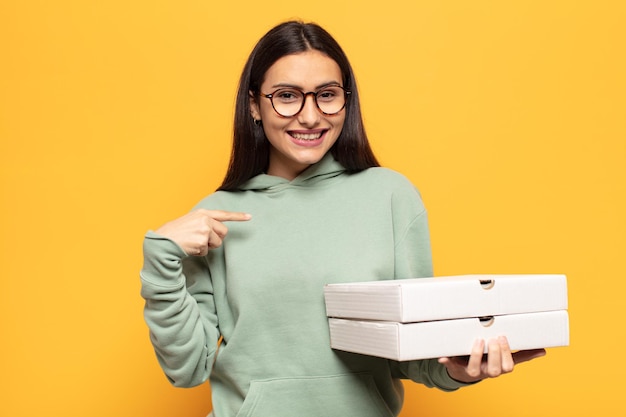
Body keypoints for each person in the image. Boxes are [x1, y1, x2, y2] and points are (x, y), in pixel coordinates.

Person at [140, 20, 546, 417]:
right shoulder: (215, 218)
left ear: (345, 101)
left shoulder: (389, 196)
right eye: (287, 96)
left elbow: (411, 352)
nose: (311, 116)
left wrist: (460, 370)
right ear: (254, 105)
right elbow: (187, 368)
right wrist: (161, 261)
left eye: (327, 95)